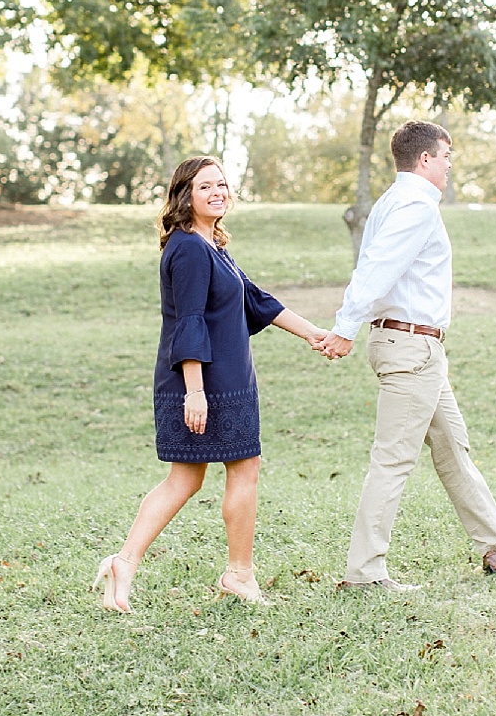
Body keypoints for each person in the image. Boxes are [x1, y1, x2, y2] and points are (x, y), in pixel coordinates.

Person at [93, 155, 331, 612]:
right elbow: (190, 322)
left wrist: (313, 334)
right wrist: (196, 392)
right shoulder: (188, 248)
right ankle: (237, 575)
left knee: (188, 478)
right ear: (186, 195)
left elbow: (255, 300)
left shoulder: (211, 243)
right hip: (204, 383)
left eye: (221, 184)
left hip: (226, 380)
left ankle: (126, 564)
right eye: (205, 186)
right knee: (231, 470)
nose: (217, 192)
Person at [317, 120, 496, 590]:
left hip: (416, 348)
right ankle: (364, 573)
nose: (449, 165)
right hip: (411, 347)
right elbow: (375, 270)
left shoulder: (392, 202)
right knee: (393, 460)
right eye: (445, 156)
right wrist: (344, 328)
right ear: (425, 159)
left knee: (452, 445)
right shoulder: (415, 206)